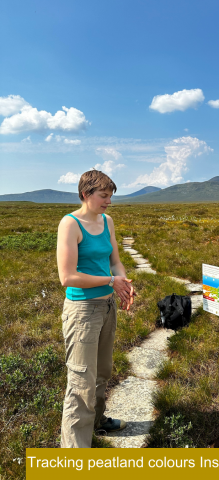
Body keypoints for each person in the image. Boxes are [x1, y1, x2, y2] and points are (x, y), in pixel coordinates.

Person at [57, 169, 135, 448]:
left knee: (102, 371)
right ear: (85, 195)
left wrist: (123, 282)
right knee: (80, 382)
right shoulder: (70, 225)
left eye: (110, 196)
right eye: (103, 196)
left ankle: (98, 421)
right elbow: (67, 277)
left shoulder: (107, 221)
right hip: (82, 311)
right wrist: (111, 281)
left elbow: (114, 260)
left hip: (107, 307)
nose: (109, 202)